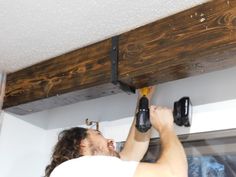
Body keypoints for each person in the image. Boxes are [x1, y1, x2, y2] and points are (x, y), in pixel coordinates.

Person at [44, 87, 188, 177]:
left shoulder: (81, 171)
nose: (110, 140)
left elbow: (131, 154)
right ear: (81, 143)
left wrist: (144, 98)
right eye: (98, 134)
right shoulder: (73, 169)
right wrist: (165, 127)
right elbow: (174, 174)